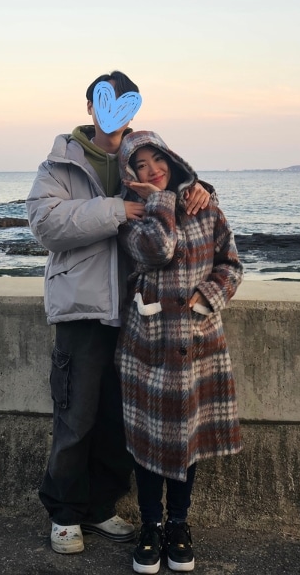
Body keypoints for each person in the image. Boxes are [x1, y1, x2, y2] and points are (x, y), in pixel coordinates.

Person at [26, 71, 211, 555]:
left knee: (120, 419)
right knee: (76, 414)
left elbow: (177, 179)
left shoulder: (141, 152)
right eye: (105, 104)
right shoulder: (61, 161)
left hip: (140, 312)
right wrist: (119, 211)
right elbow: (46, 225)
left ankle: (101, 506)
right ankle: (65, 513)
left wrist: (201, 188)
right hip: (83, 309)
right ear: (90, 107)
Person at [115, 131, 244, 574]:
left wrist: (208, 294)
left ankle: (178, 524)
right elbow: (159, 249)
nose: (153, 171)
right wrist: (160, 202)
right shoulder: (134, 217)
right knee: (149, 440)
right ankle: (150, 525)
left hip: (198, 339)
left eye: (158, 161)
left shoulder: (206, 207)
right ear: (130, 176)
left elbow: (231, 264)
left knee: (187, 437)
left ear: (172, 158)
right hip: (148, 342)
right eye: (141, 167)